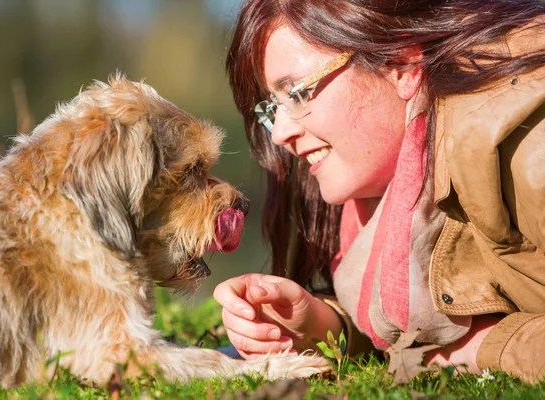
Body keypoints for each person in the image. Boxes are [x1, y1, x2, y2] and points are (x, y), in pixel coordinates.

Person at [213, 0, 545, 383]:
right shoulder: (392, 182)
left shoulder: (524, 147)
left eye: (298, 93)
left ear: (401, 66)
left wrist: (487, 347)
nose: (279, 133)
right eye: (274, 105)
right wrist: (325, 326)